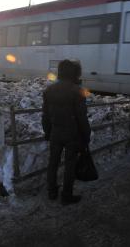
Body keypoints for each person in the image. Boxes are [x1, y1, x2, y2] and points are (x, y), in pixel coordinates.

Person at [42, 60, 91, 205]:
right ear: (74, 73)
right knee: (70, 165)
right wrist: (86, 135)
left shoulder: (49, 91)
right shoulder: (78, 91)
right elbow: (82, 117)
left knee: (53, 163)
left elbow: (45, 115)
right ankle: (66, 196)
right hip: (72, 134)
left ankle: (52, 192)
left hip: (55, 132)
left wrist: (47, 132)